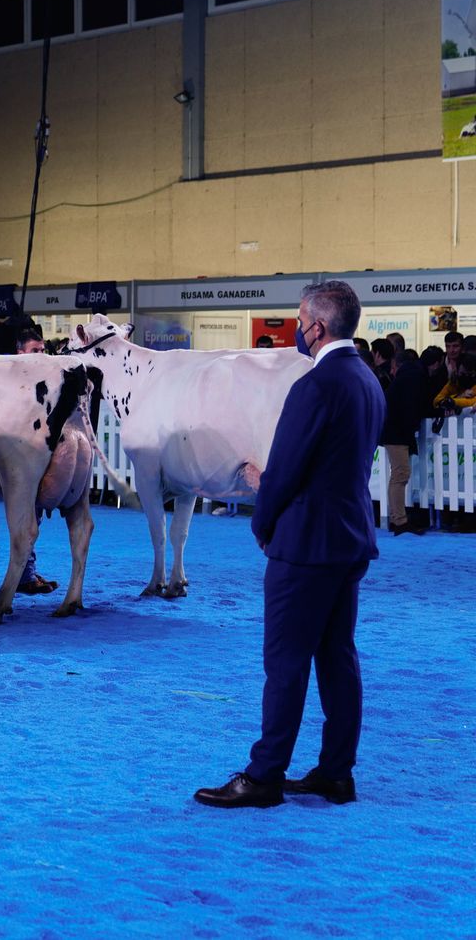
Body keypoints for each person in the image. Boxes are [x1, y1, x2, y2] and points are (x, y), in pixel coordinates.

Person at [195, 280, 383, 809]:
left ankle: (264, 776)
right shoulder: (367, 380)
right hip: (348, 539)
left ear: (318, 327)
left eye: (301, 320)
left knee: (285, 662)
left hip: (306, 546)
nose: (298, 329)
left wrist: (261, 511)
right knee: (337, 658)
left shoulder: (315, 386)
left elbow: (286, 471)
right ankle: (335, 772)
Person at [16, 326, 58, 594]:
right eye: (35, 351)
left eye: (43, 351)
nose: (41, 356)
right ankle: (24, 576)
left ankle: (26, 572)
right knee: (27, 518)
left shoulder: (43, 380)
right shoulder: (16, 382)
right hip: (20, 459)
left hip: (33, 456)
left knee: (33, 517)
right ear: (19, 352)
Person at [381, 347, 427, 537]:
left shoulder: (403, 379)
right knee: (400, 475)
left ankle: (398, 519)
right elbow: (413, 407)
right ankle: (399, 521)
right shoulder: (414, 378)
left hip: (394, 432)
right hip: (398, 433)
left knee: (399, 475)